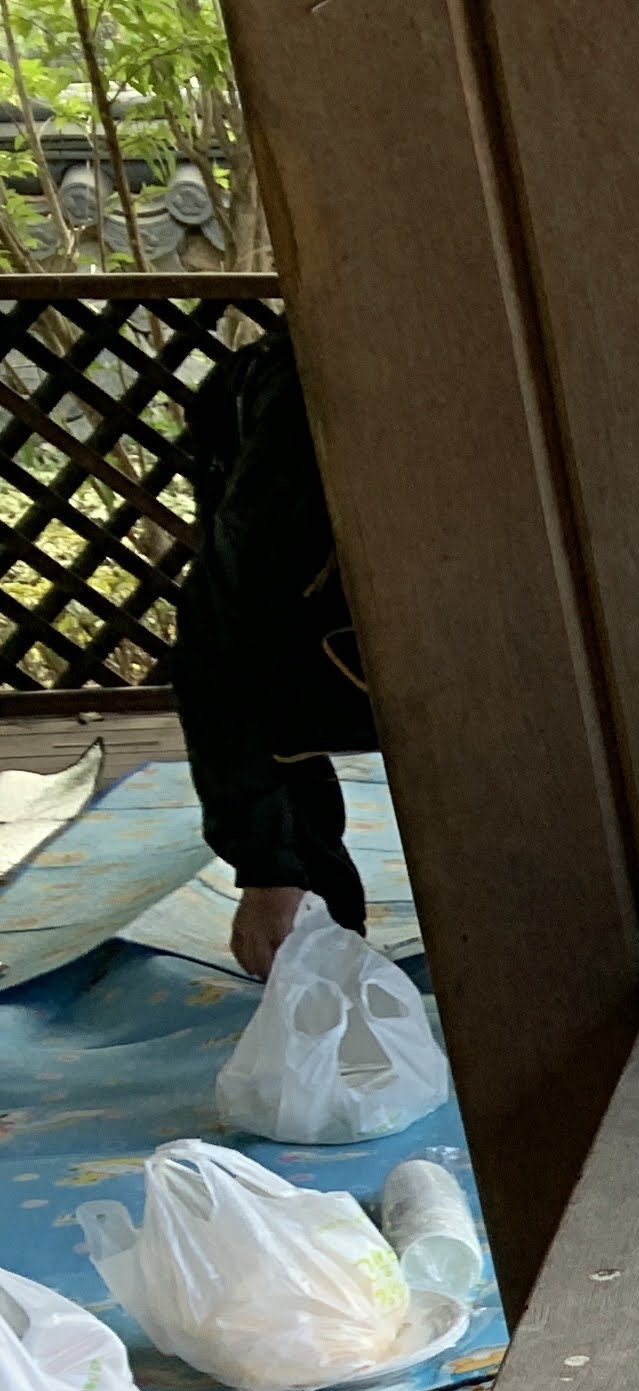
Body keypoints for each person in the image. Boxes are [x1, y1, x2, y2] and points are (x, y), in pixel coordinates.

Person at [166, 324, 377, 982]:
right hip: (264, 411)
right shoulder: (270, 535)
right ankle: (321, 923)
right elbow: (218, 680)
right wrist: (269, 872)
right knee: (272, 704)